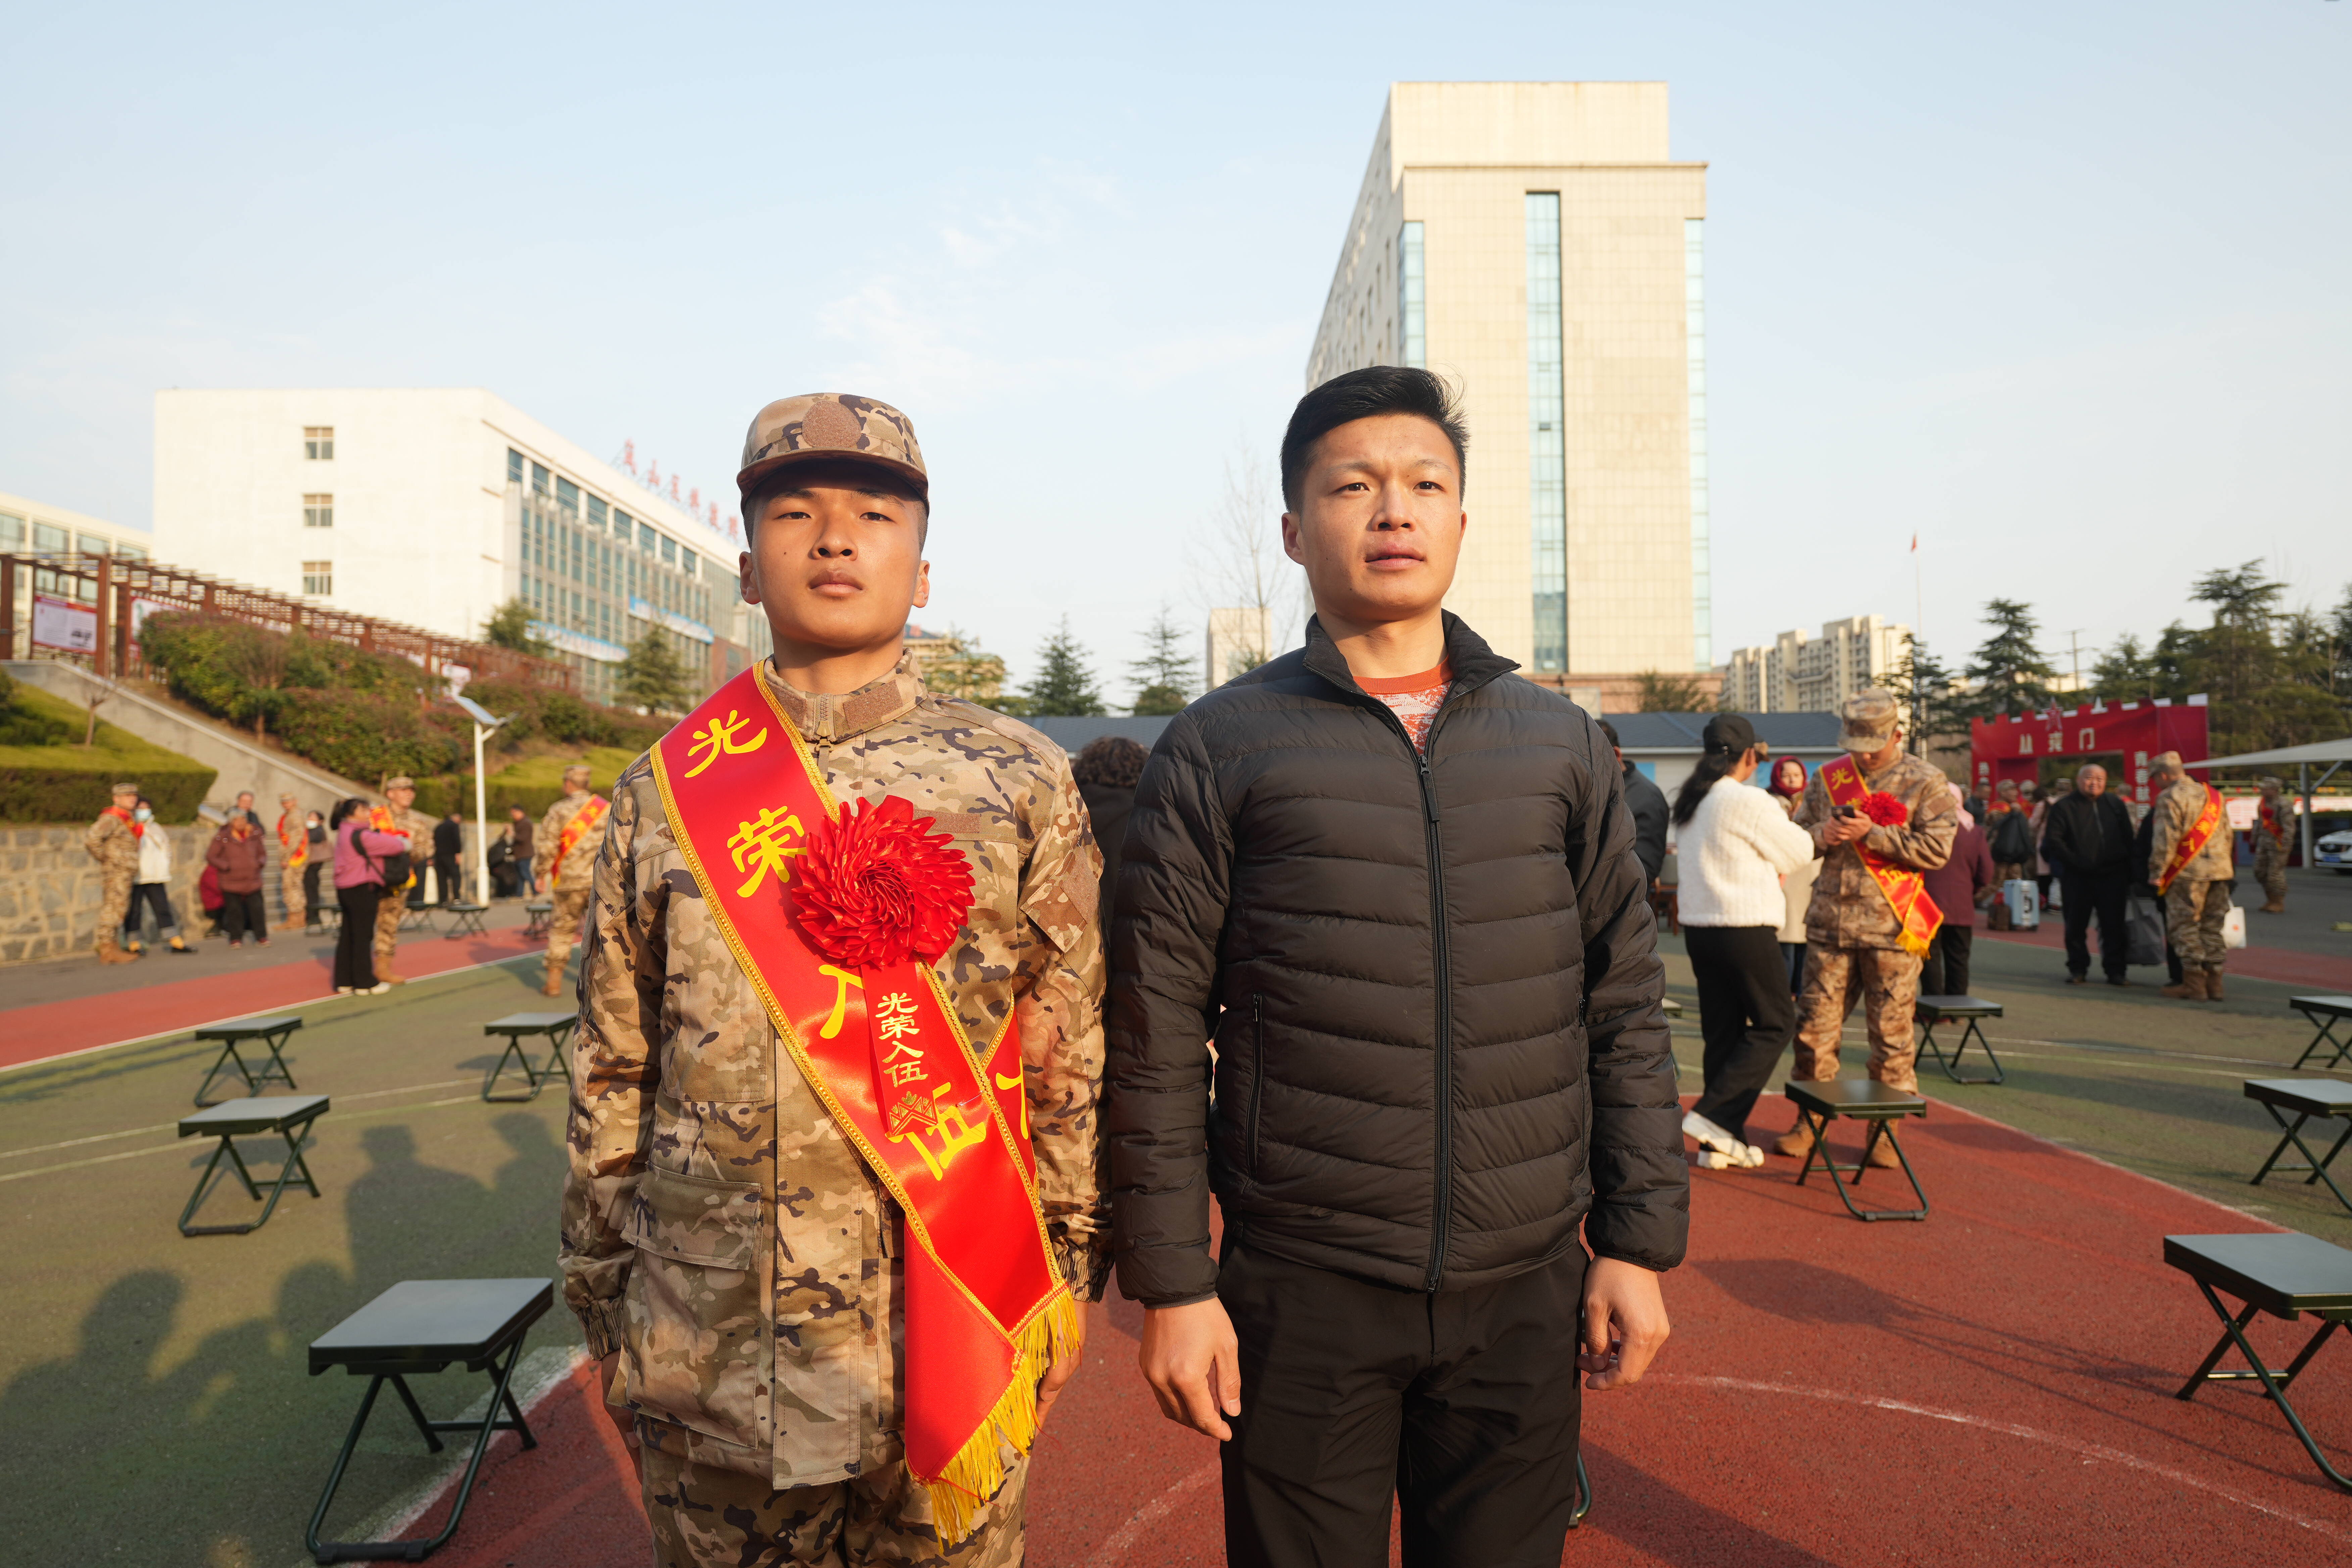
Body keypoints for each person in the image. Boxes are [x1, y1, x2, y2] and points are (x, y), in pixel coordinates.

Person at [1108, 367, 1682, 1568]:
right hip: (1304, 1283)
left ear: (1461, 522)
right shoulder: (1218, 746)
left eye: (1424, 484)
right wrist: (1173, 1282)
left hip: (1524, 1279)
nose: (1392, 510)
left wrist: (1635, 1242)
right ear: (1292, 529)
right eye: (1352, 486)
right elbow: (1154, 1026)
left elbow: (1622, 1003)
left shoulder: (1558, 744)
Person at [561, 392, 1103, 1568]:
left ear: (922, 572)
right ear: (748, 570)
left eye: (875, 514)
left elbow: (1065, 1044)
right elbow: (613, 1064)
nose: (835, 538)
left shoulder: (1017, 780)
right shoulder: (664, 791)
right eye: (794, 512)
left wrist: (1057, 1270)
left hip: (945, 1326)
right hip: (712, 1340)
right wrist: (603, 1289)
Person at [1774, 688, 1957, 1168]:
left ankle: (1885, 1131)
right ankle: (1809, 1121)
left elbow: (1937, 851)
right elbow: (1796, 838)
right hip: (1830, 926)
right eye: (1856, 746)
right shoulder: (1828, 778)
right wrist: (1823, 835)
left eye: (1873, 746)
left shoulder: (1926, 780)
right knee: (1813, 1031)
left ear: (1898, 735)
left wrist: (1872, 834)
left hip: (1892, 931)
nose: (1864, 756)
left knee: (1892, 1037)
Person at [1674, 713, 1815, 1171]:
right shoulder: (1748, 800)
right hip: (1745, 927)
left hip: (1701, 930)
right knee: (1777, 1022)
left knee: (1724, 1032)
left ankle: (1720, 1144)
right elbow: (1799, 852)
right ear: (1751, 756)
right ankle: (1714, 1116)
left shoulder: (1693, 800)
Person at [2041, 763, 2136, 987]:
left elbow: (2128, 838)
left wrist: (2129, 871)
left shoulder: (2115, 805)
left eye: (2100, 779)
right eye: (2089, 778)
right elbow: (2055, 841)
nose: (2094, 783)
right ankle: (2078, 968)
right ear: (2079, 780)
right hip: (2077, 877)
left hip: (2112, 877)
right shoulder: (2064, 807)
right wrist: (2076, 862)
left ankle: (2116, 971)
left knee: (2114, 926)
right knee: (2075, 926)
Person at [2150, 751, 2234, 1001]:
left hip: (2188, 874)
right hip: (2220, 871)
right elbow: (2228, 835)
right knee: (2213, 927)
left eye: (2155, 778)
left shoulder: (2170, 796)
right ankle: (2216, 984)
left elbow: (2166, 838)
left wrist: (2157, 872)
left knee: (2185, 926)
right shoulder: (2214, 795)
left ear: (2164, 775)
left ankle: (2194, 985)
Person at [532, 766, 606, 997]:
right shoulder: (607, 808)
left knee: (562, 930)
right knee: (605, 933)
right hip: (600, 882)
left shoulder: (558, 810)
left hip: (569, 883)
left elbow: (547, 847)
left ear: (568, 784)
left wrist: (540, 874)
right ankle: (607, 987)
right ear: (588, 784)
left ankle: (553, 984)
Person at [1920, 783, 1994, 997]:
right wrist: (1970, 889)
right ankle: (1958, 1005)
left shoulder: (1924, 828)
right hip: (1961, 903)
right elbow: (1986, 872)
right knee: (1959, 959)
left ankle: (1932, 1005)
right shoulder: (1974, 830)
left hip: (1927, 904)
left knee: (1930, 958)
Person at [330, 796, 403, 993]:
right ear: (350, 814)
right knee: (363, 935)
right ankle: (364, 982)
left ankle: (344, 980)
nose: (368, 813)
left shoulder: (344, 831)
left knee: (348, 934)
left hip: (345, 887)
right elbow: (396, 846)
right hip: (361, 887)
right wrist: (402, 841)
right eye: (363, 810)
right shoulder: (362, 835)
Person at [1071, 734, 1148, 916]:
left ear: (1085, 769)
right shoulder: (1149, 818)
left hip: (1073, 919)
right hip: (1131, 919)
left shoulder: (1068, 812)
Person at [370, 777, 435, 981]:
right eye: (403, 790)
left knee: (389, 924)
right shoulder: (373, 817)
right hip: (370, 877)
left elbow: (426, 849)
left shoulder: (417, 823)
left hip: (397, 879)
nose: (409, 794)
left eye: (411, 790)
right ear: (390, 794)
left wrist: (406, 849)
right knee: (362, 923)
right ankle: (358, 968)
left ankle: (383, 967)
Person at [1597, 719, 1670, 889]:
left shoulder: (1648, 797)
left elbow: (1644, 870)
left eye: (1589, 760)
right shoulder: (1593, 790)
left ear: (1616, 755)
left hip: (1623, 904)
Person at [1767, 756, 1817, 992]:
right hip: (1783, 875)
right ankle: (1784, 990)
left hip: (1808, 875)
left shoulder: (1812, 800)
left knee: (1806, 939)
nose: (1792, 780)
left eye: (1797, 775)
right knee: (1785, 937)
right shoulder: (1768, 802)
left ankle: (1800, 989)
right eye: (1786, 775)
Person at [122, 796, 194, 955]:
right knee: (134, 911)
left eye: (147, 808)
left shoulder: (156, 827)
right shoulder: (128, 827)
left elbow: (166, 847)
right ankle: (134, 944)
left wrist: (165, 864)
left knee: (163, 909)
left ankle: (175, 942)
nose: (144, 811)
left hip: (155, 876)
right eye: (141, 808)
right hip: (136, 876)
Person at [84, 781, 145, 964]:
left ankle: (113, 947)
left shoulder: (127, 818)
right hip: (116, 871)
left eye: (134, 796)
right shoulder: (112, 818)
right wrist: (107, 859)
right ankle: (107, 950)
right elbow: (92, 839)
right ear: (116, 799)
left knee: (119, 908)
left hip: (124, 871)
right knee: (113, 908)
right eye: (127, 796)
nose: (133, 799)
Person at [206, 812, 272, 949]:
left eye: (243, 820)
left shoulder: (254, 834)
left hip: (252, 879)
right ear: (232, 822)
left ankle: (262, 937)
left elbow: (262, 853)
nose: (241, 823)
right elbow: (211, 856)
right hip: (231, 881)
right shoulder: (223, 837)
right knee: (234, 911)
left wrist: (259, 863)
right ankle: (236, 938)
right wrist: (226, 866)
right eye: (237, 820)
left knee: (257, 910)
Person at [1981, 779, 2032, 928]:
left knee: (2016, 880)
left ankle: (2017, 913)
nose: (2016, 793)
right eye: (2011, 790)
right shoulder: (1997, 809)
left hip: (2014, 852)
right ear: (2003, 792)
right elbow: (2003, 828)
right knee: (1997, 881)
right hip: (2001, 852)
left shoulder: (2013, 808)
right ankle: (1975, 900)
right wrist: (2014, 814)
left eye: (2016, 790)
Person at [2251, 775, 2290, 914]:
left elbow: (2289, 827)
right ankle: (2270, 900)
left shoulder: (2284, 804)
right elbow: (2260, 822)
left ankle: (2278, 902)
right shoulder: (2263, 803)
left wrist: (2286, 844)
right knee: (2260, 872)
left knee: (2275, 875)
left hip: (2278, 844)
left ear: (2274, 790)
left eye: (2265, 788)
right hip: (2264, 842)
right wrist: (2254, 837)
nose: (2262, 790)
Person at [2031, 778, 2070, 913]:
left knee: (2044, 875)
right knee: (2056, 876)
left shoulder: (2041, 805)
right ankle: (2056, 902)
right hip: (2058, 843)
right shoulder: (2056, 803)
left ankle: (2047, 902)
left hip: (2044, 841)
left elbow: (2033, 824)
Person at [274, 793, 309, 931]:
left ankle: (295, 919)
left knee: (291, 886)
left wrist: (286, 857)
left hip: (294, 857)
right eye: (283, 802)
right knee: (295, 886)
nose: (285, 804)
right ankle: (298, 918)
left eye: (288, 801)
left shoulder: (295, 816)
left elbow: (296, 838)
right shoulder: (290, 815)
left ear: (295, 801)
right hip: (294, 856)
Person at [302, 809, 328, 932]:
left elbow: (307, 840)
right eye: (309, 817)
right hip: (311, 866)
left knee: (312, 892)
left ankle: (313, 917)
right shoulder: (311, 830)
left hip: (313, 866)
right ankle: (312, 916)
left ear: (320, 821)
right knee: (311, 891)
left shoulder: (317, 831)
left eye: (313, 817)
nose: (310, 820)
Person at [433, 810, 464, 905]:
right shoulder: (454, 826)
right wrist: (458, 853)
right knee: (456, 876)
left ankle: (443, 900)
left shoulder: (439, 827)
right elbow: (457, 840)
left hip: (439, 855)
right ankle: (457, 898)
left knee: (442, 878)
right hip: (451, 855)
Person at [508, 805, 537, 896]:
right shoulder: (519, 823)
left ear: (519, 812)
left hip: (525, 853)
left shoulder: (526, 823)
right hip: (519, 854)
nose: (512, 815)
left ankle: (536, 891)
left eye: (513, 813)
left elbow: (523, 838)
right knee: (520, 876)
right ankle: (519, 894)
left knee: (525, 873)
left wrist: (512, 834)